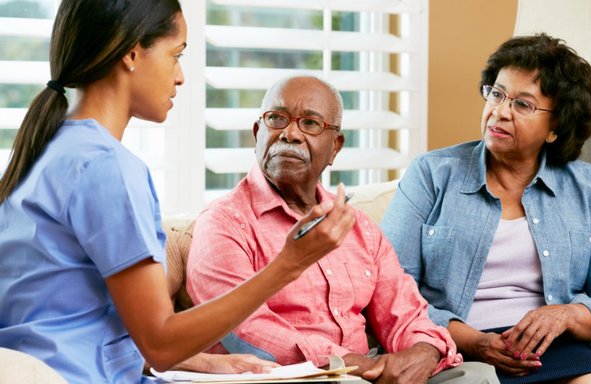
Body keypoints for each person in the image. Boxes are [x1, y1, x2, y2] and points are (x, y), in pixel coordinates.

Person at [0, 1, 356, 383]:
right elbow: (161, 343)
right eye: (176, 55)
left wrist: (201, 361)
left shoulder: (49, 150)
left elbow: (68, 320)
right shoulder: (107, 167)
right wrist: (290, 264)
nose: (181, 76)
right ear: (132, 53)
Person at [186, 75, 499, 384]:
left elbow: (404, 310)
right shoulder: (224, 222)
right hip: (291, 377)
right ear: (258, 132)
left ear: (335, 147)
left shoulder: (358, 227)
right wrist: (351, 365)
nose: (290, 134)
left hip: (370, 373)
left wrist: (424, 351)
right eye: (277, 119)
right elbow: (244, 330)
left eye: (310, 123)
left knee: (476, 376)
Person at [381, 33, 591, 384]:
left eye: (522, 104)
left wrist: (567, 316)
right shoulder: (432, 173)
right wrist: (475, 341)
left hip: (557, 350)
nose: (499, 112)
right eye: (497, 94)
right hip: (453, 350)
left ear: (555, 127)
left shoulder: (588, 187)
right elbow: (390, 291)